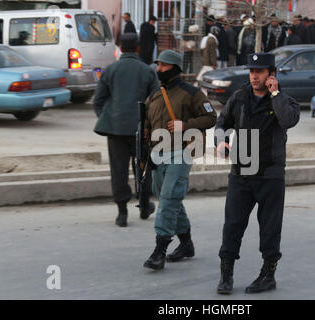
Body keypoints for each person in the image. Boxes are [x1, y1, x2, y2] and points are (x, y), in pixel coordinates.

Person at [214, 53, 300, 294]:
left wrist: (275, 94)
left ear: (271, 74)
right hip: (241, 172)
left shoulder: (285, 101)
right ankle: (226, 274)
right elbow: (222, 123)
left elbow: (288, 120)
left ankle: (268, 275)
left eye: (259, 72)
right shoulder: (239, 97)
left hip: (270, 175)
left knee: (270, 228)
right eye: (252, 71)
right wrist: (221, 142)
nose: (254, 76)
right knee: (232, 224)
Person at [143, 50, 217, 270]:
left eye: (164, 66)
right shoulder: (155, 95)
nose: (159, 69)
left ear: (175, 68)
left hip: (180, 152)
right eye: (158, 65)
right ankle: (186, 243)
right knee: (169, 198)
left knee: (167, 199)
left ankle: (159, 250)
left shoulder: (191, 93)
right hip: (157, 153)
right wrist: (146, 133)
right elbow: (148, 121)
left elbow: (211, 117)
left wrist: (185, 125)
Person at [93, 33, 158, 227]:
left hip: (115, 130)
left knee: (118, 170)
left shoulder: (111, 70)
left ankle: (122, 213)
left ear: (120, 48)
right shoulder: (147, 71)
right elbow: (156, 102)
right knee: (143, 169)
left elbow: (98, 101)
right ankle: (145, 206)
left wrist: (109, 118)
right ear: (138, 48)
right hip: (141, 130)